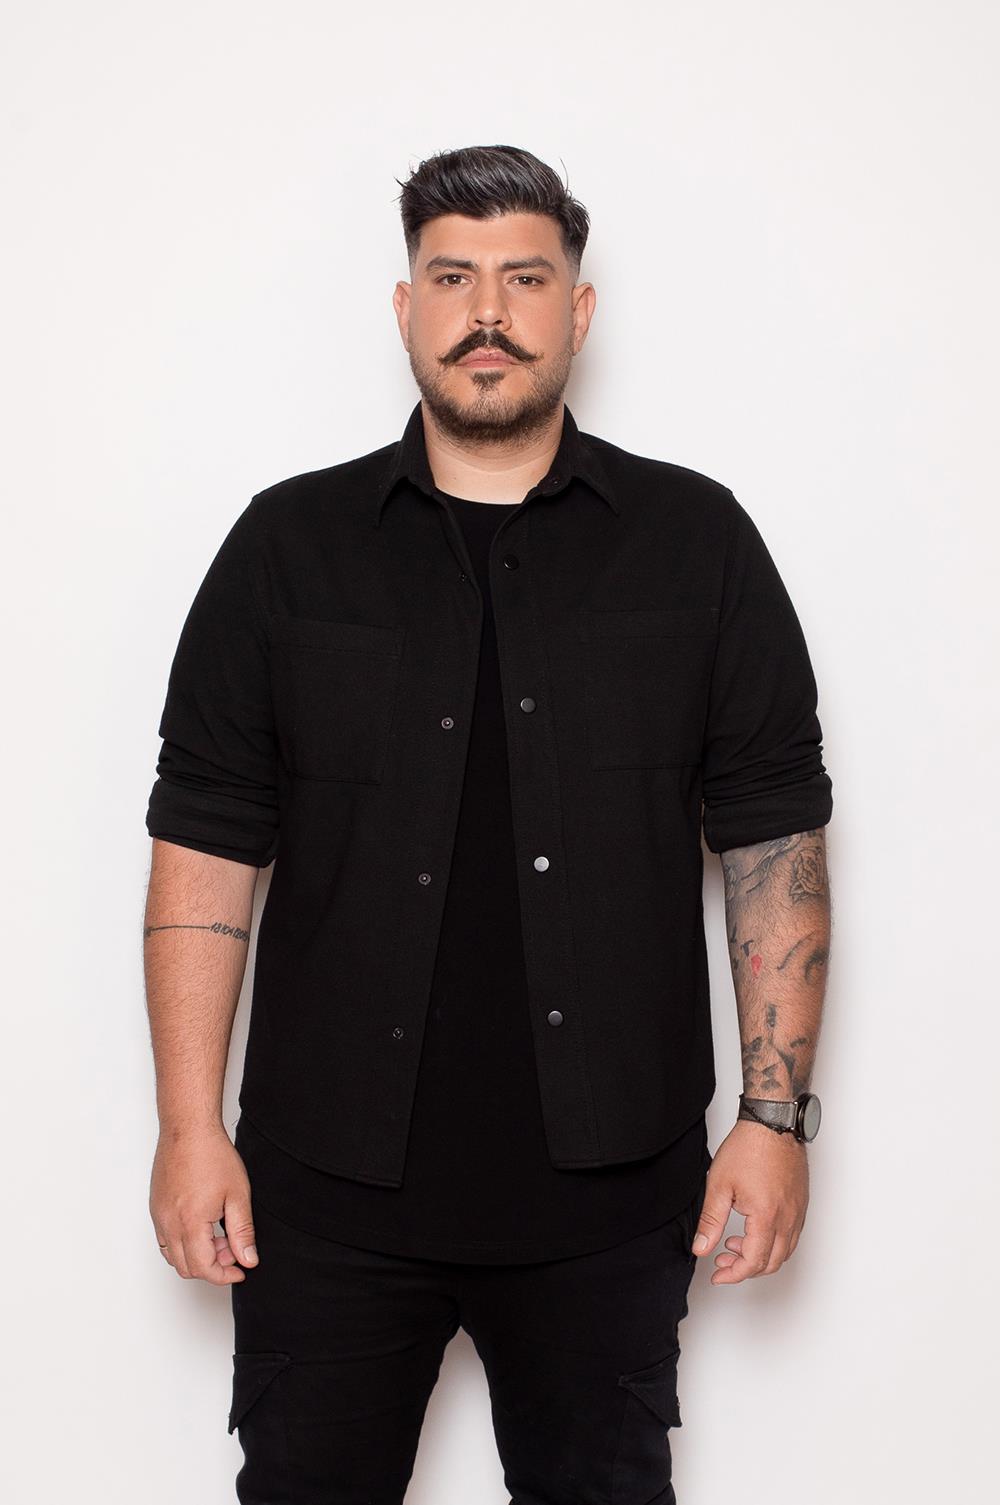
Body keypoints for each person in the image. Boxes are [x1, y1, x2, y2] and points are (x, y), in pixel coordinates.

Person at [143, 144, 833, 1504]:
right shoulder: (286, 548)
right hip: (325, 1195)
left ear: (580, 310)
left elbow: (775, 843)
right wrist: (186, 1126)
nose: (488, 313)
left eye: (526, 278)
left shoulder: (697, 544)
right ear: (406, 308)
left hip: (610, 1201)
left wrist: (775, 1119)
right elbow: (206, 846)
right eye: (453, 278)